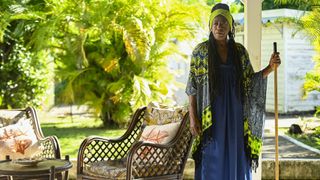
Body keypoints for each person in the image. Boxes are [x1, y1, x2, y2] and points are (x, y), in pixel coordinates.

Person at [185, 3, 281, 180]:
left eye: (223, 23)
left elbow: (250, 82)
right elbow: (192, 87)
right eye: (215, 23)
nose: (219, 27)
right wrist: (193, 117)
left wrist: (270, 67)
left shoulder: (239, 52)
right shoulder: (200, 52)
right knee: (212, 157)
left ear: (230, 26)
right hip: (211, 117)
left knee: (236, 154)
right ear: (210, 26)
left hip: (236, 116)